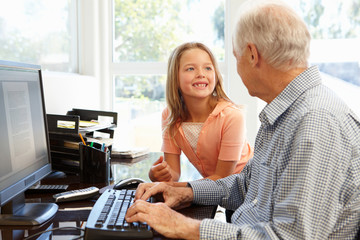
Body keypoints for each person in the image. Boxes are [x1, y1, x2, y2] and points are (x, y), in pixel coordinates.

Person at [125, 0, 360, 239]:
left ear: (251, 55)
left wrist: (184, 226)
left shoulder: (316, 122)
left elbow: (291, 236)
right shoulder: (286, 115)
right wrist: (186, 192)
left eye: (236, 57)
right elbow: (245, 185)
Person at [148, 42, 253, 186]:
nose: (201, 74)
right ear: (175, 77)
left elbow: (222, 179)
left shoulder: (232, 116)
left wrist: (171, 187)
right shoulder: (170, 115)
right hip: (218, 193)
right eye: (190, 68)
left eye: (208, 68)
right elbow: (173, 174)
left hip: (249, 192)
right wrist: (158, 175)